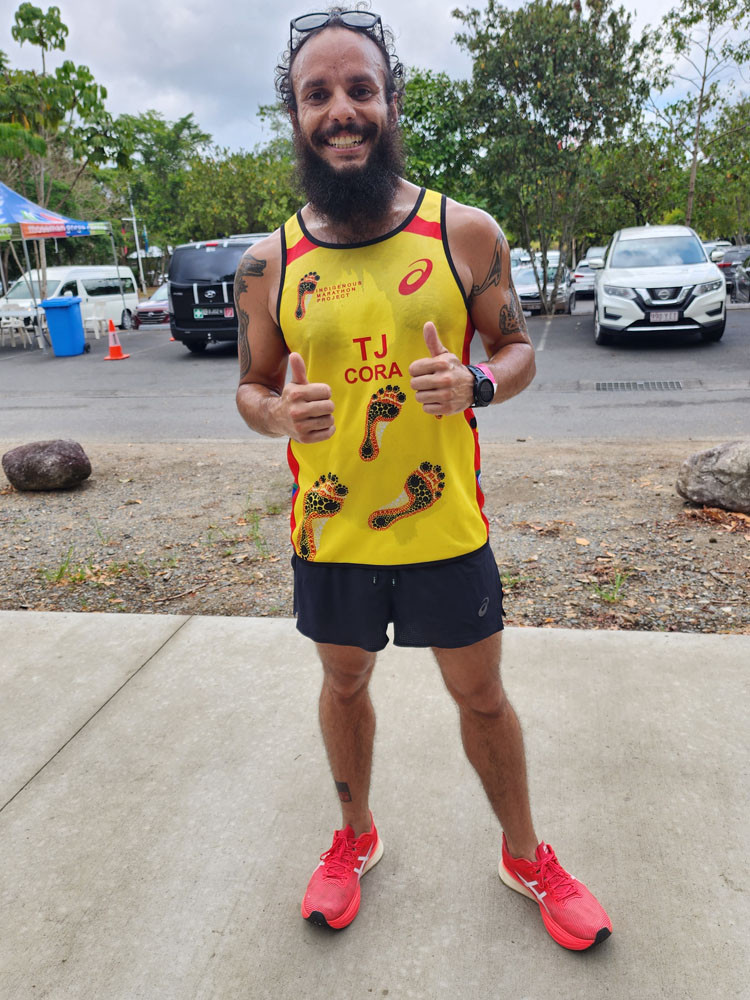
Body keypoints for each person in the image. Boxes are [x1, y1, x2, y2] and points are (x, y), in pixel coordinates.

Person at [235, 7, 611, 951]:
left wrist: (476, 382)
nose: (341, 110)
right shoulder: (266, 263)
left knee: (482, 696)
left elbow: (519, 351)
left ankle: (526, 854)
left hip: (446, 529)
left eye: (359, 88)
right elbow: (248, 386)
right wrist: (279, 412)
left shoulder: (466, 233)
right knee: (345, 685)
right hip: (333, 533)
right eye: (316, 94)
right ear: (294, 116)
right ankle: (354, 836)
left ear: (391, 101)